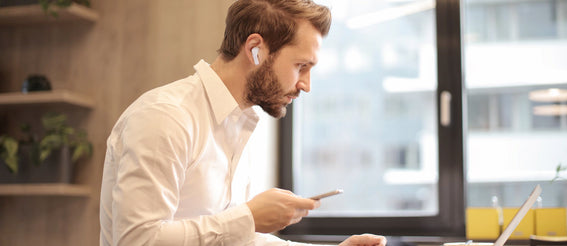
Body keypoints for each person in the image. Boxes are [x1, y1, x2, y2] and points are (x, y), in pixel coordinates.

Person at [99, 0, 387, 245]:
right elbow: (138, 239)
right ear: (255, 50)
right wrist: (248, 217)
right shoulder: (165, 117)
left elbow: (235, 238)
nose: (306, 85)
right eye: (301, 66)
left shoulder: (238, 124)